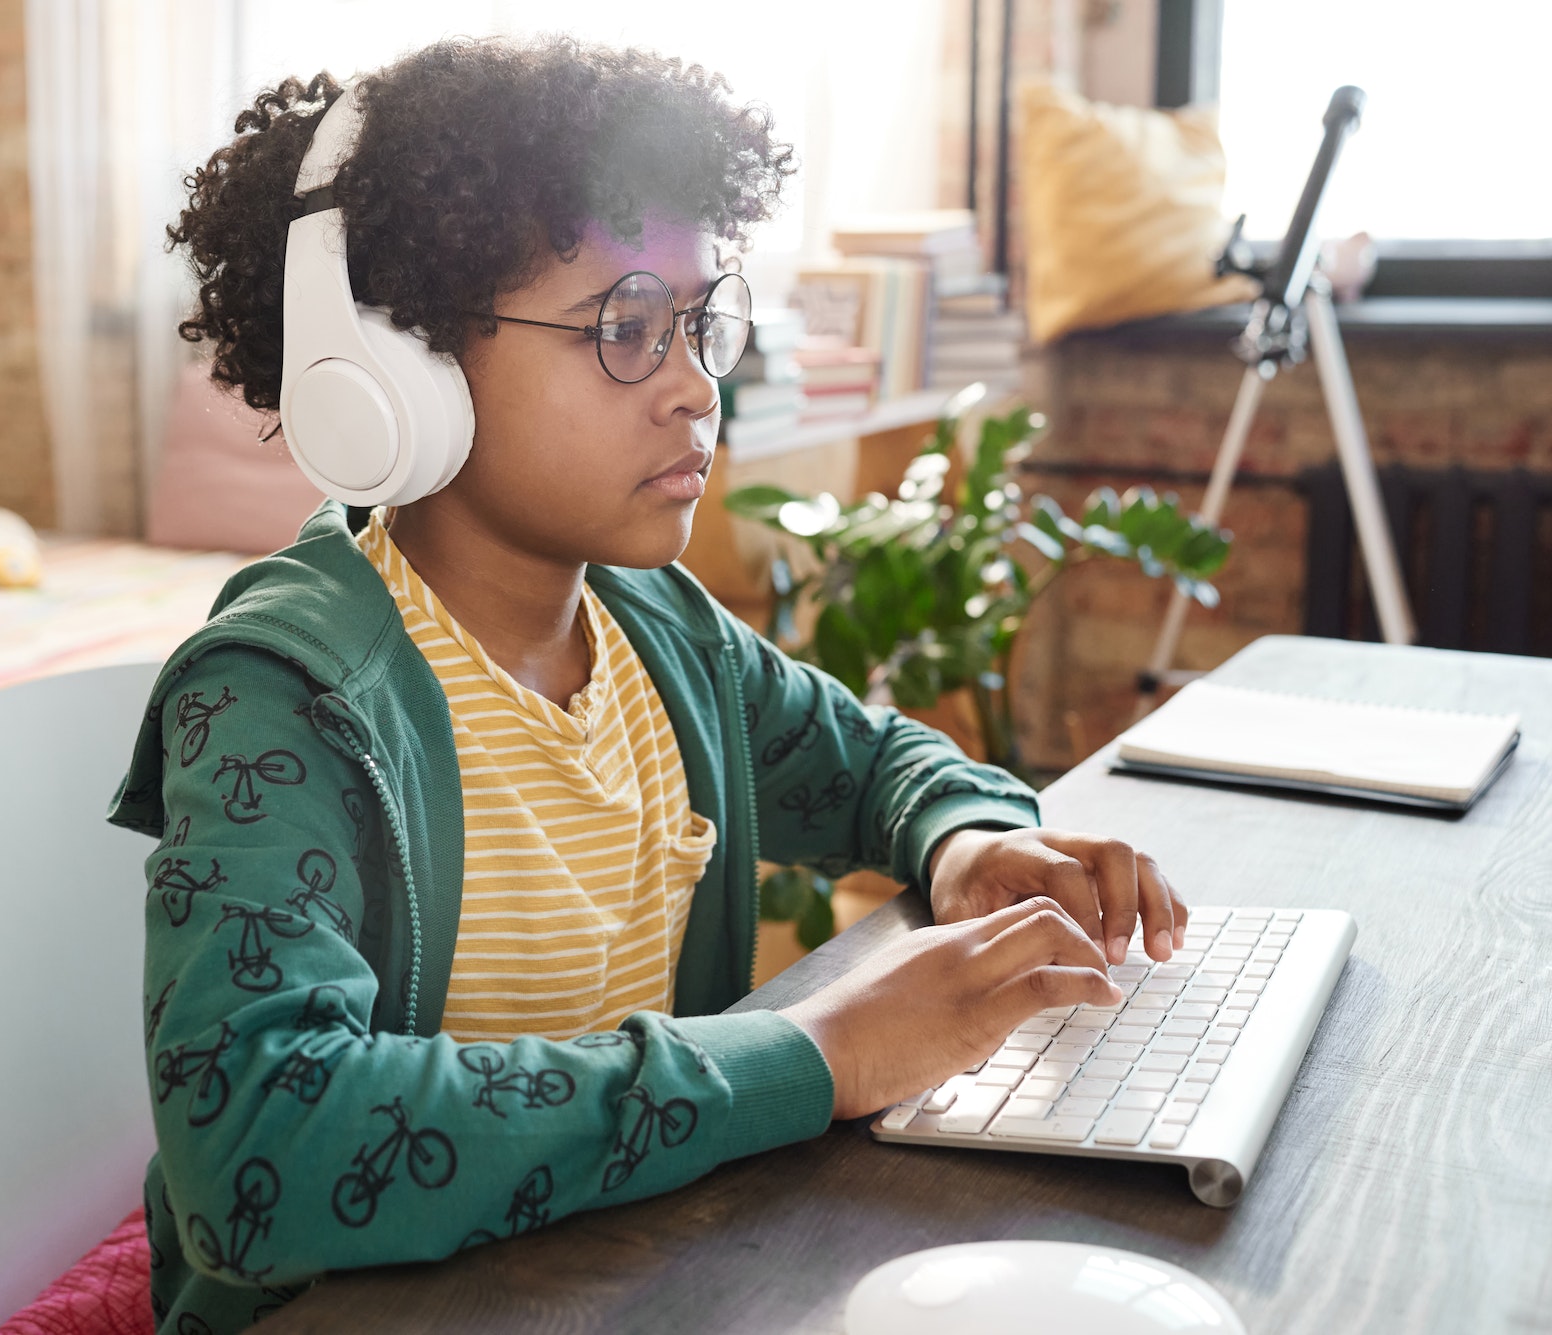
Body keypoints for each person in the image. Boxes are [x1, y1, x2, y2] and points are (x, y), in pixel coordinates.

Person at [107, 34, 1186, 1333]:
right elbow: (259, 1156)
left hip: (629, 1283)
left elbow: (879, 766)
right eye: (625, 327)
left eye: (697, 324)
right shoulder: (285, 699)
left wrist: (965, 845)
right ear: (399, 364)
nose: (693, 389)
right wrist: (818, 1055)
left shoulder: (658, 632)